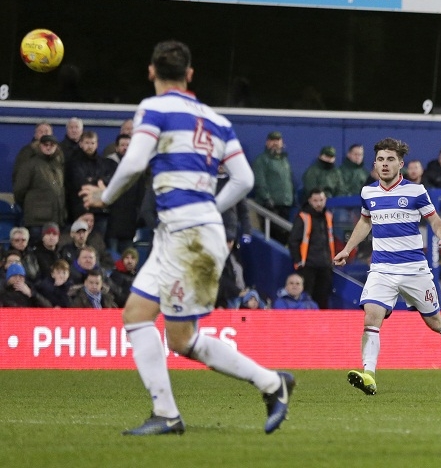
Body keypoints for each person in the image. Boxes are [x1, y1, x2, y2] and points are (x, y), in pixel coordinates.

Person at [79, 40, 293, 434]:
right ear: (190, 74)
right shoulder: (216, 120)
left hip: (189, 239)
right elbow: (244, 179)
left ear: (151, 72)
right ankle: (166, 414)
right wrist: (211, 207)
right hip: (178, 234)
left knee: (182, 339)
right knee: (136, 315)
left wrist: (103, 197)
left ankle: (271, 383)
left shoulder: (154, 108)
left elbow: (135, 162)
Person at [332, 137, 441, 396]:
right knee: (371, 317)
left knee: (435, 322)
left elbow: (435, 220)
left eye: (390, 159)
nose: (385, 164)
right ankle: (369, 375)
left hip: (414, 270)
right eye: (380, 159)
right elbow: (365, 222)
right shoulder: (368, 193)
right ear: (374, 164)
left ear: (400, 164)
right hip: (382, 269)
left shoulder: (415, 191)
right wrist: (347, 249)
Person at [288, 187, 335, 309]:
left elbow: (331, 239)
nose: (319, 203)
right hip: (307, 266)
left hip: (325, 265)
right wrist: (298, 262)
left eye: (321, 200)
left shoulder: (328, 216)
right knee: (306, 299)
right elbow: (293, 241)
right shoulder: (303, 217)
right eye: (315, 200)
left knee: (323, 299)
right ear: (309, 201)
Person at [13, 134, 66, 237]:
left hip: (56, 219)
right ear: (40, 146)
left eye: (52, 145)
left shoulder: (58, 165)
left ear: (56, 147)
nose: (48, 147)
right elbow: (19, 191)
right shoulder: (29, 165)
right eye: (46, 145)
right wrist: (31, 206)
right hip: (36, 220)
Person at [103, 134, 144, 253]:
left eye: (128, 145)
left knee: (128, 257)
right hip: (112, 222)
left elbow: (140, 195)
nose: (125, 148)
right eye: (122, 145)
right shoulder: (107, 164)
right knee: (112, 257)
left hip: (130, 223)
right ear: (116, 147)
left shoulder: (137, 168)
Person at [252, 131, 294, 242]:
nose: (275, 143)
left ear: (282, 143)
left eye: (278, 140)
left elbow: (288, 180)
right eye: (272, 140)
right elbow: (260, 181)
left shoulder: (284, 160)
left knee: (284, 238)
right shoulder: (261, 160)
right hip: (270, 206)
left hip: (285, 205)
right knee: (272, 238)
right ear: (267, 143)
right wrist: (266, 198)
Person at [12, 122, 60, 186]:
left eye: (46, 131)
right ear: (35, 135)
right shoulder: (27, 151)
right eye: (40, 132)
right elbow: (19, 173)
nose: (44, 134)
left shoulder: (58, 152)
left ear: (51, 134)